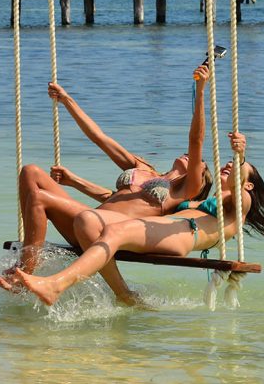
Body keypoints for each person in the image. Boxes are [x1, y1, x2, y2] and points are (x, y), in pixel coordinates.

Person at [0, 135, 264, 306]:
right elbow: (120, 199)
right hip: (165, 230)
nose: (227, 165)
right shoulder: (196, 200)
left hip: (183, 235)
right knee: (109, 226)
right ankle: (72, 286)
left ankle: (58, 285)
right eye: (227, 163)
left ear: (248, 182)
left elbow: (228, 189)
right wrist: (76, 183)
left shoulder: (242, 200)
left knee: (112, 230)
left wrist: (240, 154)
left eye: (236, 168)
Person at [11, 66, 214, 300]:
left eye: (200, 164)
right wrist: (68, 101)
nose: (191, 158)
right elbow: (100, 138)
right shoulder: (144, 169)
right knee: (31, 172)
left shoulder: (183, 191)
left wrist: (200, 91)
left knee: (39, 197)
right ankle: (29, 259)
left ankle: (24, 272)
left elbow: (196, 140)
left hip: (104, 231)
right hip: (85, 220)